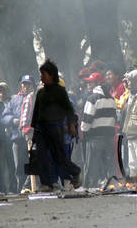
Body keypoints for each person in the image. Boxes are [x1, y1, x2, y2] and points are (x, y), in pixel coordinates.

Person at [31, 59, 81, 191]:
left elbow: (68, 109)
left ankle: (76, 172)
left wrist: (71, 125)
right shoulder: (40, 93)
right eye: (41, 74)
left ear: (51, 75)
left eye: (44, 74)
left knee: (59, 157)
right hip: (41, 129)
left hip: (55, 127)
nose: (42, 77)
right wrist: (34, 131)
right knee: (41, 156)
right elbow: (36, 113)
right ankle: (46, 184)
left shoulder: (60, 91)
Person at [81, 72, 117, 188]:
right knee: (108, 163)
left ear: (97, 84)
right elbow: (114, 119)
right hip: (109, 137)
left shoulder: (92, 99)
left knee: (92, 164)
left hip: (95, 137)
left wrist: (85, 132)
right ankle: (110, 185)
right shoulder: (111, 99)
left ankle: (90, 186)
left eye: (90, 82)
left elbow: (86, 120)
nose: (88, 84)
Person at [1, 75, 35, 192]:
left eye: (28, 84)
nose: (25, 86)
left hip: (32, 137)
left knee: (33, 164)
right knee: (19, 166)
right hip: (17, 138)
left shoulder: (35, 98)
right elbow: (4, 116)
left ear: (32, 86)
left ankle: (33, 187)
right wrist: (13, 120)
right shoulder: (14, 100)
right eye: (23, 84)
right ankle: (21, 189)